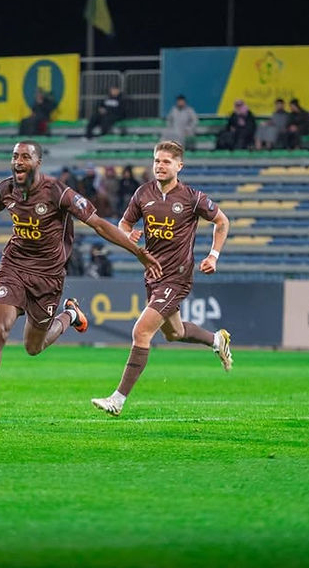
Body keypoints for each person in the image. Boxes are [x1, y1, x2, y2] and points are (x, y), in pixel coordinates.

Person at [0, 140, 162, 427]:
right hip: (14, 267)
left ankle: (70, 314)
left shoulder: (58, 192)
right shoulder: (5, 189)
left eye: (25, 157)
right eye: (15, 156)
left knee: (33, 347)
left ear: (38, 162)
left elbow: (98, 224)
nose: (18, 161)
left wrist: (137, 251)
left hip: (48, 277)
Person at [91, 140, 232, 417]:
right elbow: (124, 223)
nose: (160, 166)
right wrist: (128, 234)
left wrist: (213, 255)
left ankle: (117, 400)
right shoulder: (143, 193)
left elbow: (222, 221)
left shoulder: (192, 197)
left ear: (179, 166)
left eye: (166, 161)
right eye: (157, 161)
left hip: (177, 277)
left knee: (141, 332)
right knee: (173, 333)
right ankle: (217, 340)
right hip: (153, 275)